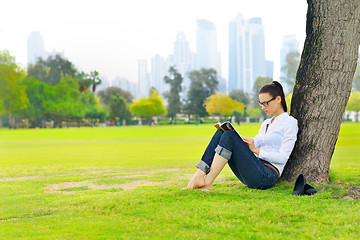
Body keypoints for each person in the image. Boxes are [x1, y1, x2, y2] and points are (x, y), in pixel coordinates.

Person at [182, 81, 298, 190]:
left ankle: (207, 182)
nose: (263, 107)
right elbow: (252, 144)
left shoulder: (290, 122)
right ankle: (198, 176)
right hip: (254, 167)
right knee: (222, 132)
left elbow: (283, 157)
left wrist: (257, 151)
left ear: (278, 99)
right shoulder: (266, 123)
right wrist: (238, 136)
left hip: (266, 174)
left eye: (266, 103)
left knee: (229, 136)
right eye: (261, 104)